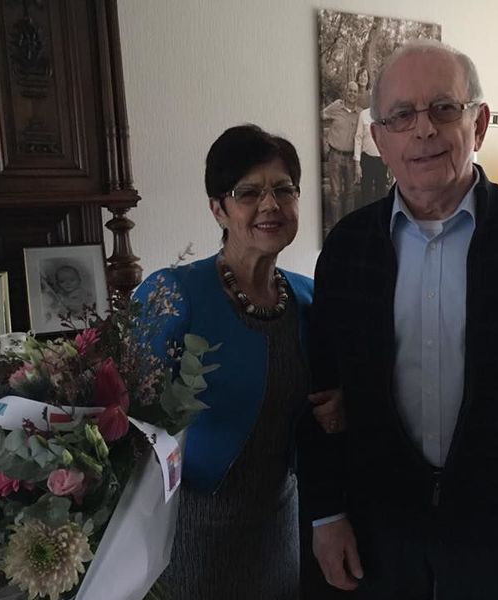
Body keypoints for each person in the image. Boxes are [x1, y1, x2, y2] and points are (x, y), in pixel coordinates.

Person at [297, 40, 498, 600]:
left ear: (479, 123)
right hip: (380, 531)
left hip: (497, 533)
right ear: (379, 139)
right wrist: (326, 513)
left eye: (444, 108)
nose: (423, 129)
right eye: (402, 116)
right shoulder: (348, 248)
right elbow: (323, 396)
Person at [133, 124, 321, 599]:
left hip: (278, 530)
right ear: (218, 208)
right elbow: (125, 424)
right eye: (248, 193)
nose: (270, 205)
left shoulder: (309, 299)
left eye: (284, 190)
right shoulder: (172, 295)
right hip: (189, 537)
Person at [322, 82, 360, 229]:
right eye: (350, 90)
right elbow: (320, 115)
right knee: (335, 194)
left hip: (351, 158)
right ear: (345, 91)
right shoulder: (336, 107)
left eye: (355, 91)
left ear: (358, 94)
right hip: (335, 156)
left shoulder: (359, 113)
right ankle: (337, 226)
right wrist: (325, 140)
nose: (352, 94)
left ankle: (348, 226)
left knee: (350, 193)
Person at [353, 106, 388, 209]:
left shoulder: (386, 114)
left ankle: (379, 217)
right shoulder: (363, 114)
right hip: (367, 159)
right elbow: (358, 138)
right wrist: (357, 164)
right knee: (366, 192)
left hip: (382, 160)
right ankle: (367, 217)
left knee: (381, 193)